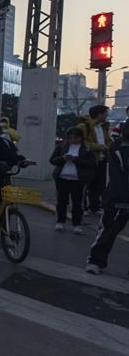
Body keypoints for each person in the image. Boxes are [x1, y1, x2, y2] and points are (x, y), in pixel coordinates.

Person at [86, 119, 129, 275]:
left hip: (117, 197)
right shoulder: (118, 148)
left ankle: (95, 261)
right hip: (118, 198)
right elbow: (120, 175)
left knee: (107, 231)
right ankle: (95, 261)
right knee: (107, 231)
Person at [49, 127, 95, 235]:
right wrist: (63, 158)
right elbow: (52, 160)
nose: (73, 140)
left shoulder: (87, 149)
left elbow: (91, 164)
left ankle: (76, 224)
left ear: (81, 138)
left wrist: (76, 160)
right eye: (71, 138)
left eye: (76, 138)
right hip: (62, 178)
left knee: (77, 203)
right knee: (61, 201)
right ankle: (60, 221)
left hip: (78, 180)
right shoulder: (61, 147)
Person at [77, 105, 111, 215]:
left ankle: (94, 207)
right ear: (99, 114)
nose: (107, 115)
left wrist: (109, 146)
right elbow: (81, 142)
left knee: (99, 185)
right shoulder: (84, 126)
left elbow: (108, 141)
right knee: (85, 186)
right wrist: (100, 147)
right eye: (106, 113)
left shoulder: (104, 127)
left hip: (101, 160)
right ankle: (82, 208)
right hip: (88, 161)